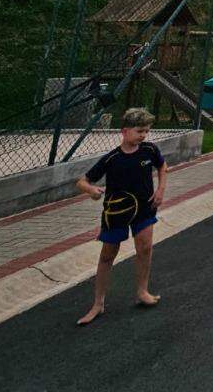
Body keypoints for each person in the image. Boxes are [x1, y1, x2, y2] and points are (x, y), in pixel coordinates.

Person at [75, 107, 167, 325]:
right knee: (107, 256)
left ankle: (142, 291)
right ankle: (98, 303)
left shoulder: (149, 150)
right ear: (124, 131)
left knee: (145, 248)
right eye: (139, 131)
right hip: (116, 213)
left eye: (146, 131)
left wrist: (161, 190)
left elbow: (163, 166)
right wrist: (91, 191)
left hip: (145, 208)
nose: (144, 135)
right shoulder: (112, 159)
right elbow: (82, 181)